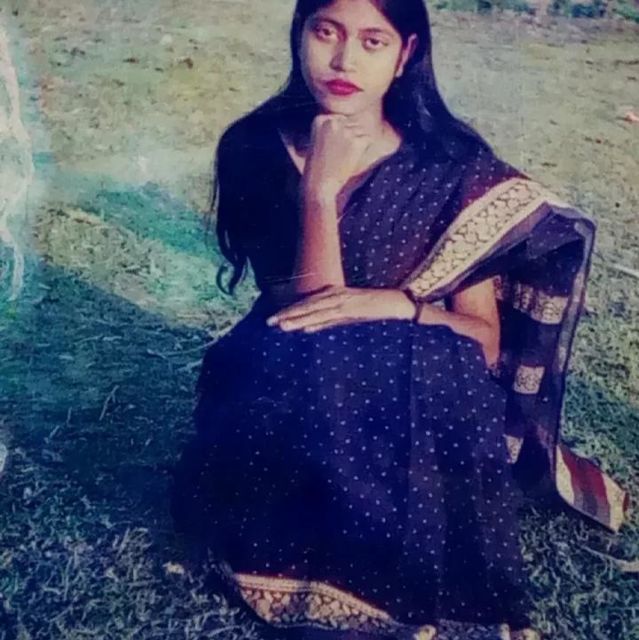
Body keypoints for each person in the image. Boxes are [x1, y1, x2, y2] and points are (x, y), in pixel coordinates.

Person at [169, 1, 629, 638]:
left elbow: (484, 341)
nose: (344, 60)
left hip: (410, 376)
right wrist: (319, 190)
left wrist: (400, 304)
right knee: (326, 365)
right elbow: (308, 317)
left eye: (372, 41)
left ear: (405, 54)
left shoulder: (451, 168)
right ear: (299, 35)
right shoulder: (253, 147)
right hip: (289, 370)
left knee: (438, 359)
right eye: (326, 32)